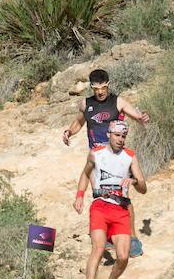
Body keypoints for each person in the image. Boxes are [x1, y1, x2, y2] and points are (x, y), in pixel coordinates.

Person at [61, 69, 149, 253]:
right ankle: (108, 235)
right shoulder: (86, 104)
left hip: (116, 155)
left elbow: (136, 115)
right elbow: (78, 122)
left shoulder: (117, 101)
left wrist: (142, 118)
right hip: (97, 156)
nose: (100, 92)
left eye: (103, 87)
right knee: (100, 195)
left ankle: (132, 238)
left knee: (122, 196)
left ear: (108, 85)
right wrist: (69, 132)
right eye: (96, 88)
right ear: (91, 87)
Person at [72, 120, 147, 279]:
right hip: (100, 206)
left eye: (123, 136)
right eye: (117, 135)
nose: (120, 139)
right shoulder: (95, 153)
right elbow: (85, 174)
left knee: (123, 257)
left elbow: (143, 188)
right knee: (98, 249)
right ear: (108, 135)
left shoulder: (130, 156)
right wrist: (79, 196)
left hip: (121, 210)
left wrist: (134, 180)